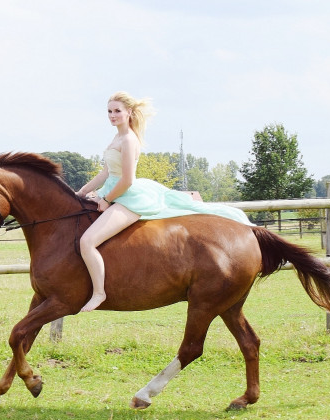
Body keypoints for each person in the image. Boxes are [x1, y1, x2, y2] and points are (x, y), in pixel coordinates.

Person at [76, 91, 253, 312]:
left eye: (117, 111)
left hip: (127, 197)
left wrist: (106, 200)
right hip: (111, 190)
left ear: (129, 113)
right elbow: (106, 172)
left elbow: (127, 179)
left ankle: (99, 293)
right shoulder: (117, 138)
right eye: (110, 111)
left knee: (87, 241)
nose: (112, 115)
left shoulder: (129, 139)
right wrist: (83, 191)